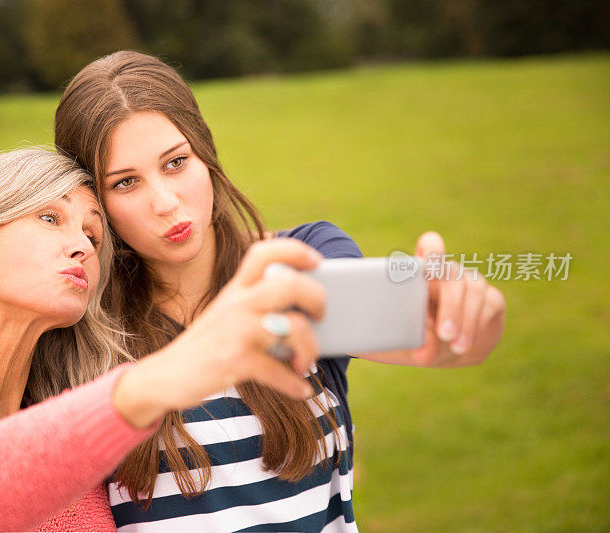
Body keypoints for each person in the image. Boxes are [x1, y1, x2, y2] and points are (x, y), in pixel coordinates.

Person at [54, 51, 507, 531]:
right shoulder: (80, 327)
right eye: (126, 183)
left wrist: (472, 317)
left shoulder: (299, 263)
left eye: (176, 162)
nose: (166, 202)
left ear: (205, 153)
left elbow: (425, 334)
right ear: (93, 201)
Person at [0, 148, 331, 532]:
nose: (81, 247)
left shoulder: (77, 460)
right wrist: (156, 381)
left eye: (93, 236)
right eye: (50, 218)